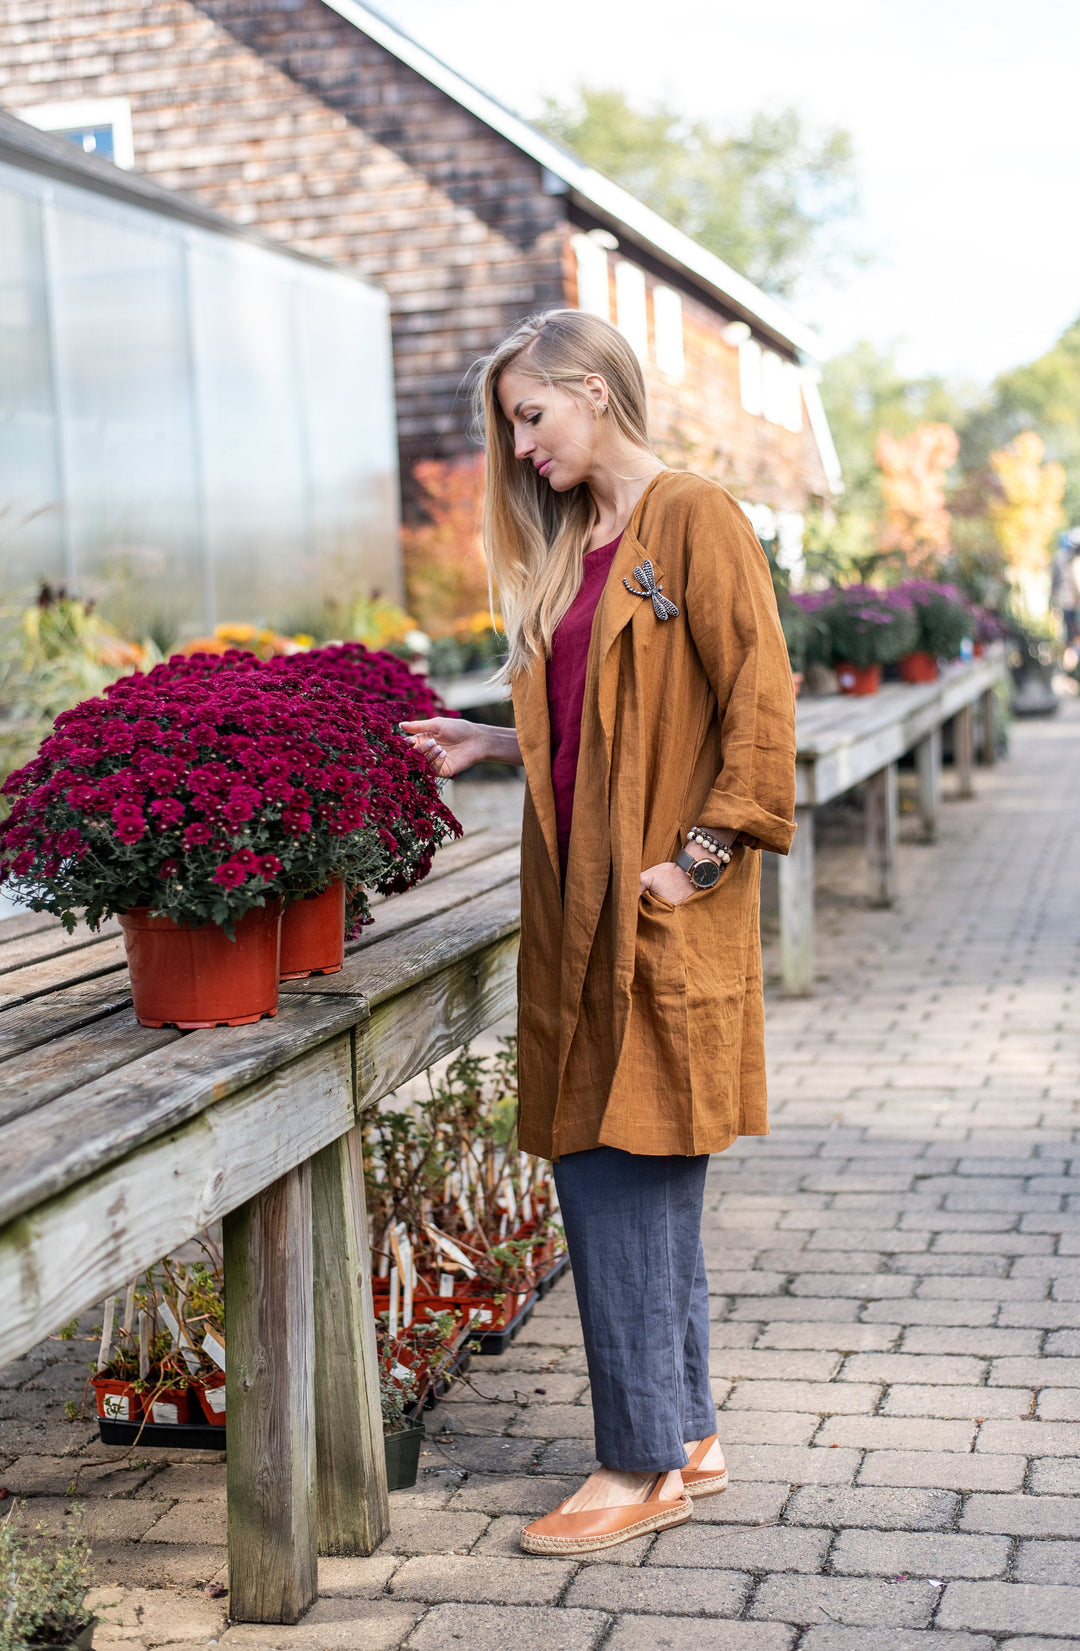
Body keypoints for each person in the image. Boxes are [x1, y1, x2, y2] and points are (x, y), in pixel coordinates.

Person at [402, 309, 796, 1555]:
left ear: (591, 389)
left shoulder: (694, 517)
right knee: (644, 1169)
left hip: (650, 906)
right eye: (511, 425)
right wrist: (485, 740)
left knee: (616, 1165)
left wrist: (698, 859)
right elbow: (588, 722)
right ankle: (687, 1433)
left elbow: (760, 699)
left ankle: (635, 1466)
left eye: (532, 416)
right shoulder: (588, 543)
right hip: (580, 901)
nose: (522, 448)